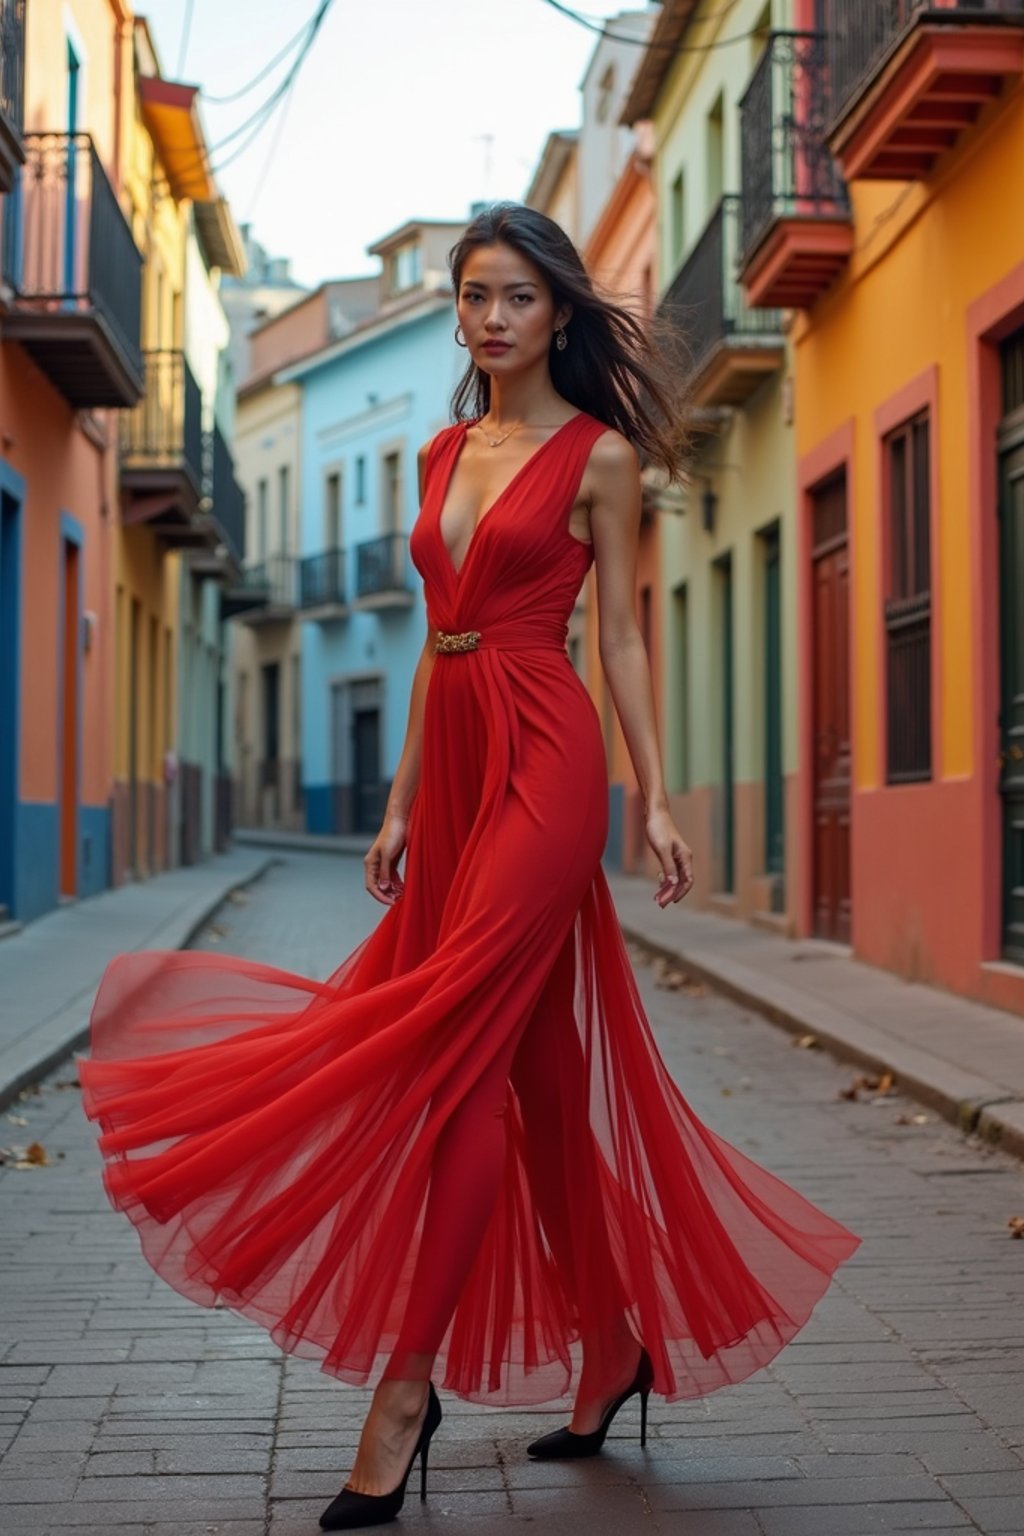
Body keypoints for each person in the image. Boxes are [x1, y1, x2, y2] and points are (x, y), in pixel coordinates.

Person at [79, 202, 860, 1533]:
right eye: (473, 295)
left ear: (557, 312)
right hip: (446, 772)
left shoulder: (600, 458)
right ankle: (612, 1347)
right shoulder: (440, 451)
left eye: (516, 296)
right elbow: (442, 635)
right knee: (539, 1076)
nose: (491, 317)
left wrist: (658, 799)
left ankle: (403, 1390)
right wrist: (394, 806)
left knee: (447, 1053)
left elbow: (613, 639)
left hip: (549, 766)